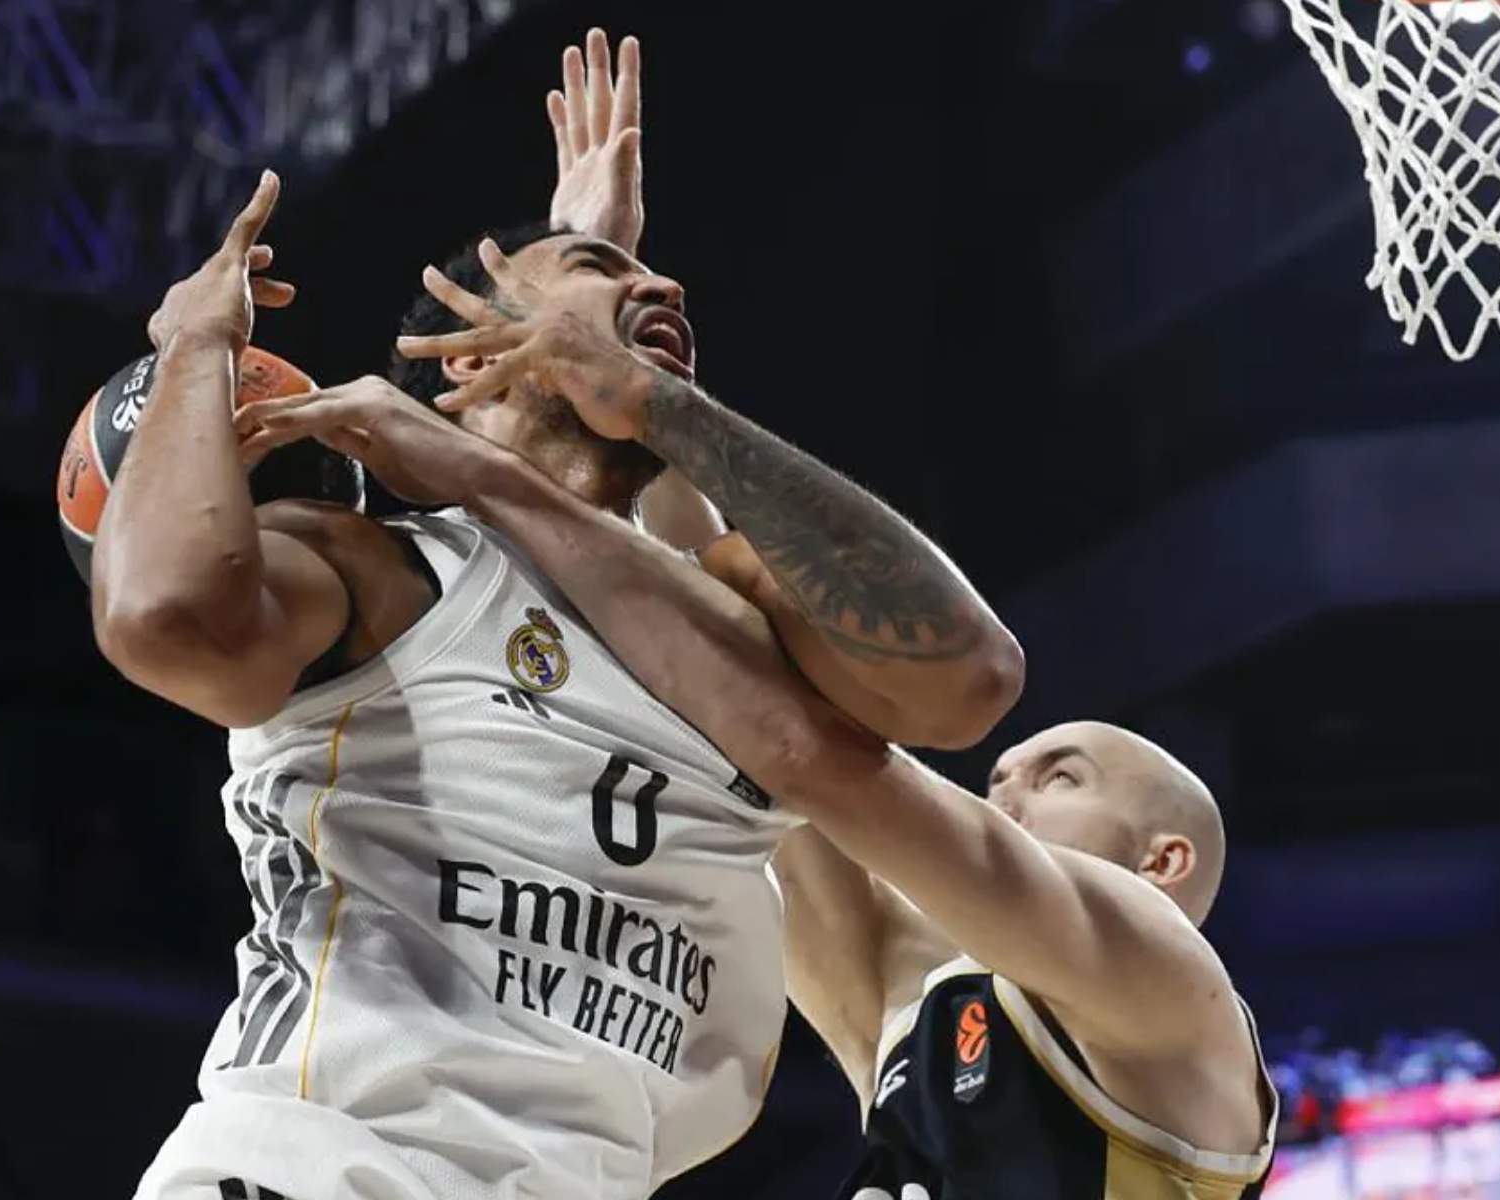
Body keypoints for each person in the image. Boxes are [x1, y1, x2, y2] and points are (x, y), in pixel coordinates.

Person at [258, 52, 1275, 1198]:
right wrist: (594, 319)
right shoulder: (904, 998)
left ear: (1163, 859)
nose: (1004, 783)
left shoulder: (1159, 986)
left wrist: (553, 435)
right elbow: (708, 652)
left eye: (1059, 774)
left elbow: (803, 746)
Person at [95, 30, 1022, 1200]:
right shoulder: (378, 570)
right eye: (603, 268)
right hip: (325, 1172)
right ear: (462, 362)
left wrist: (650, 393)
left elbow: (965, 676)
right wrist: (195, 342)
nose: (663, 283)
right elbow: (163, 621)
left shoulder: (722, 614)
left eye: (654, 281)